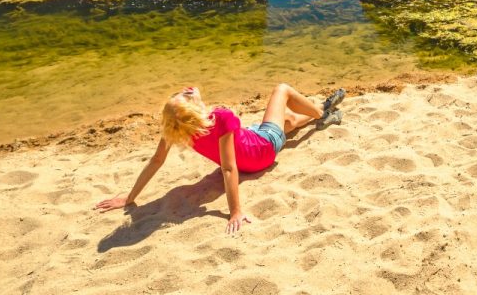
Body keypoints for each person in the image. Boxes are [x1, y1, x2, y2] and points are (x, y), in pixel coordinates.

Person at [95, 83, 345, 233]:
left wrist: (130, 198)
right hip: (263, 150)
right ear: (193, 110)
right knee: (282, 90)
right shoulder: (221, 117)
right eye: (185, 97)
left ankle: (318, 113)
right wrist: (235, 211)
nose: (188, 90)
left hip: (251, 140)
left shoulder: (179, 130)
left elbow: (156, 161)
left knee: (288, 121)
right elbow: (228, 168)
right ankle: (322, 112)